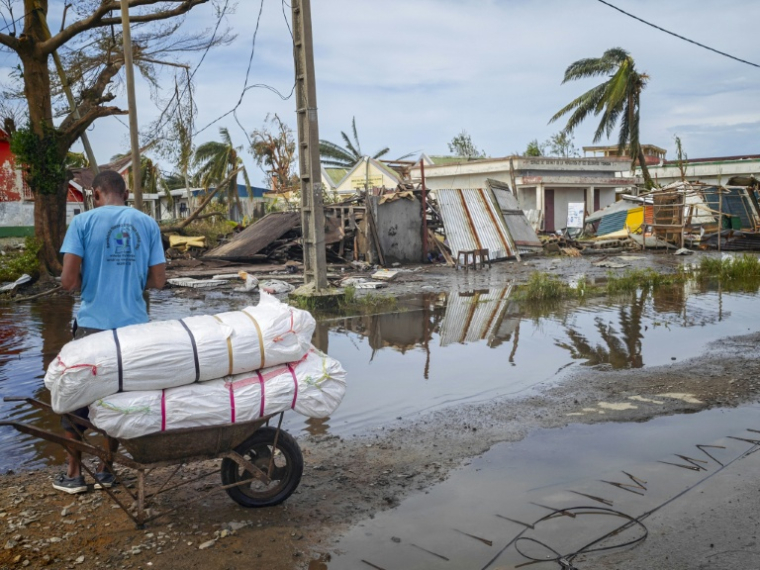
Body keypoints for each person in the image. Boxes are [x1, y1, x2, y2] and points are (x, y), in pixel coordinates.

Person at [55, 170, 166, 494]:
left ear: (97, 194)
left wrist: (89, 281)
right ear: (126, 193)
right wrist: (131, 284)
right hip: (134, 331)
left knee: (73, 400)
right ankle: (106, 470)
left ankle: (74, 474)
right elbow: (158, 280)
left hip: (92, 329)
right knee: (118, 400)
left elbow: (68, 281)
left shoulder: (82, 223)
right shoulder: (147, 224)